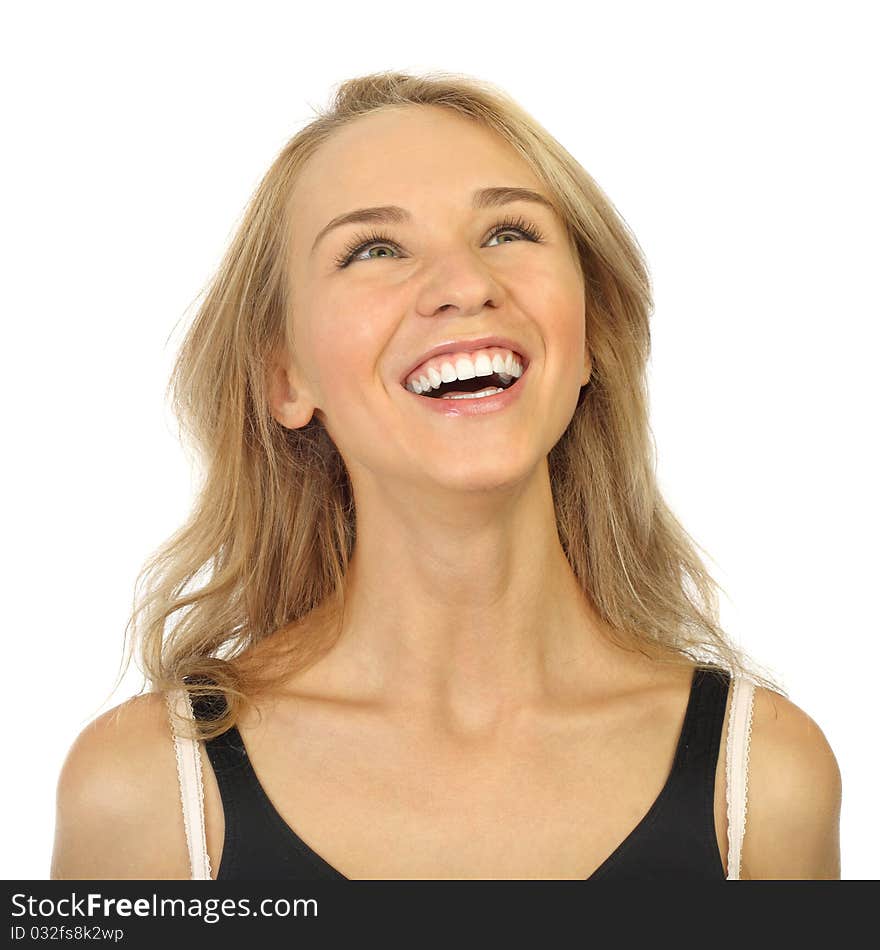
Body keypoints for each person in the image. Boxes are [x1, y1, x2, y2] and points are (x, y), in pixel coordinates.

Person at [50, 70, 841, 880]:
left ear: (591, 332)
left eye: (508, 232)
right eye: (374, 249)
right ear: (284, 376)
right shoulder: (145, 791)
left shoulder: (761, 779)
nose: (465, 286)